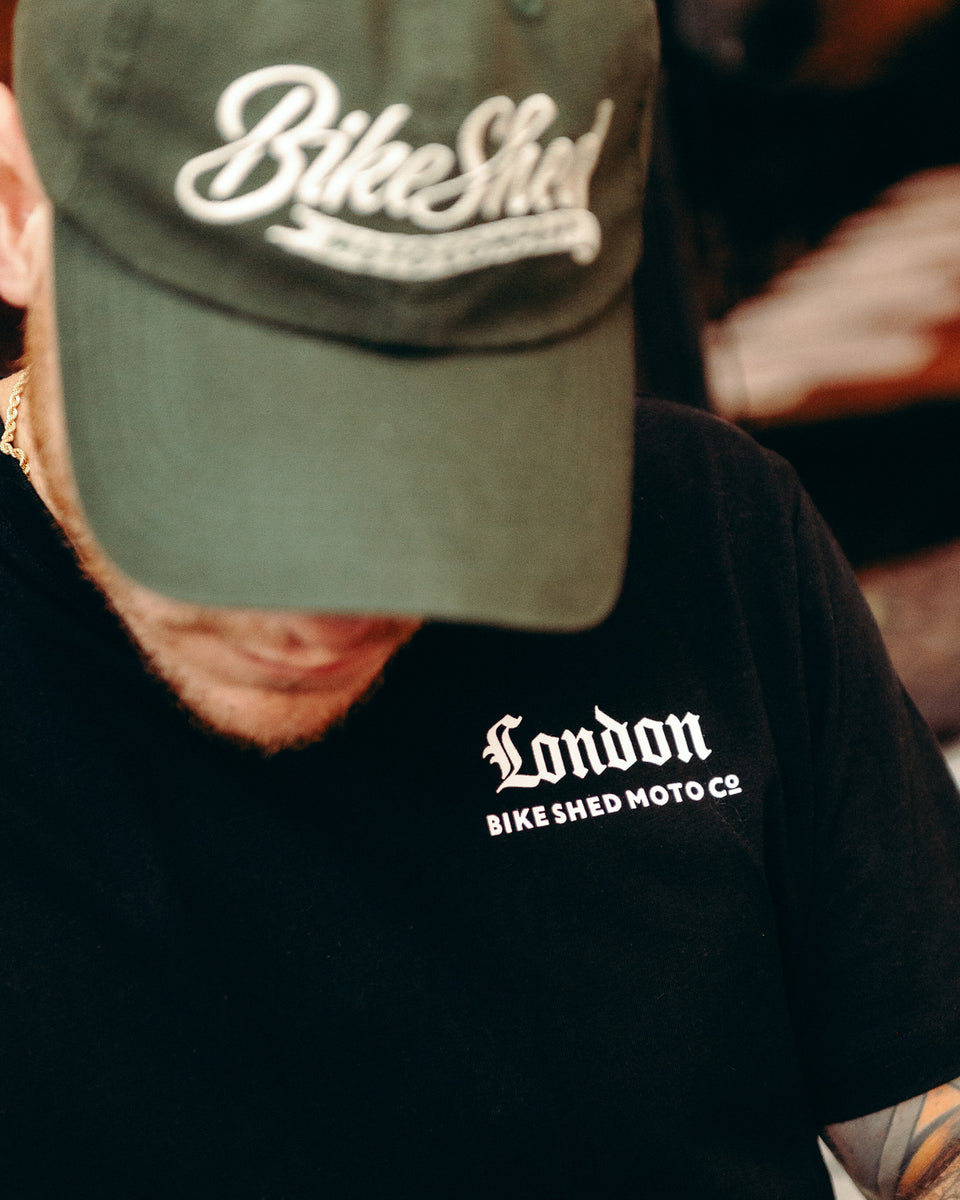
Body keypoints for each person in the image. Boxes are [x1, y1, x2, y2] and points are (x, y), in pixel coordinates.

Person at [1, 0, 960, 1197]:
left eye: (445, 449)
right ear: (18, 210)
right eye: (243, 444)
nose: (331, 605)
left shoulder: (706, 527)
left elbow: (927, 1101)